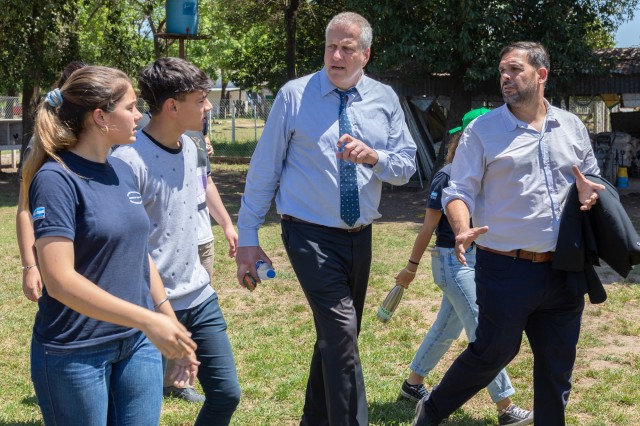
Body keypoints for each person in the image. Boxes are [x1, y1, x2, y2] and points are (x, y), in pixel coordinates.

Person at [236, 11, 416, 425]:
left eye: (346, 48)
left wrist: (375, 157)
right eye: (330, 46)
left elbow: (406, 166)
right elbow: (264, 169)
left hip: (360, 235)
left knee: (339, 338)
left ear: (365, 54)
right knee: (341, 333)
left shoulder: (384, 98)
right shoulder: (294, 96)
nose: (336, 56)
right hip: (308, 235)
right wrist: (247, 237)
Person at [412, 42, 604, 426]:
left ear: (541, 74)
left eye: (515, 69)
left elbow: (592, 179)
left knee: (557, 368)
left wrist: (591, 192)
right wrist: (462, 227)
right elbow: (458, 190)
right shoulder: (483, 131)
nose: (505, 77)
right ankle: (430, 412)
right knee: (492, 353)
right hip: (506, 269)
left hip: (565, 268)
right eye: (503, 70)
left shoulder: (571, 126)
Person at [21, 65, 199, 425]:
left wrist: (170, 326)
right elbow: (59, 280)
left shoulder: (123, 171)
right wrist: (148, 320)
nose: (140, 116)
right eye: (130, 107)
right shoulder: (56, 179)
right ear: (100, 117)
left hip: (136, 345)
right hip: (75, 352)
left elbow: (139, 256)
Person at [111, 57, 241, 425]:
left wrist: (226, 224)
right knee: (138, 411)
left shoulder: (191, 146)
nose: (209, 106)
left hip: (199, 297)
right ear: (172, 107)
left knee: (226, 394)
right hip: (147, 307)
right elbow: (130, 248)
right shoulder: (127, 161)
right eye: (200, 99)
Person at [397, 108, 532, 426]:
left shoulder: (488, 175)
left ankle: (412, 384)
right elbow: (428, 228)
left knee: (446, 328)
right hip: (452, 263)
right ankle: (506, 407)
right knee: (483, 332)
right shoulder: (447, 175)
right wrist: (411, 267)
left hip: (477, 261)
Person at [16, 61, 87, 302]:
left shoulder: (106, 142)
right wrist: (29, 266)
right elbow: (24, 208)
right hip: (57, 261)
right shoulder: (42, 144)